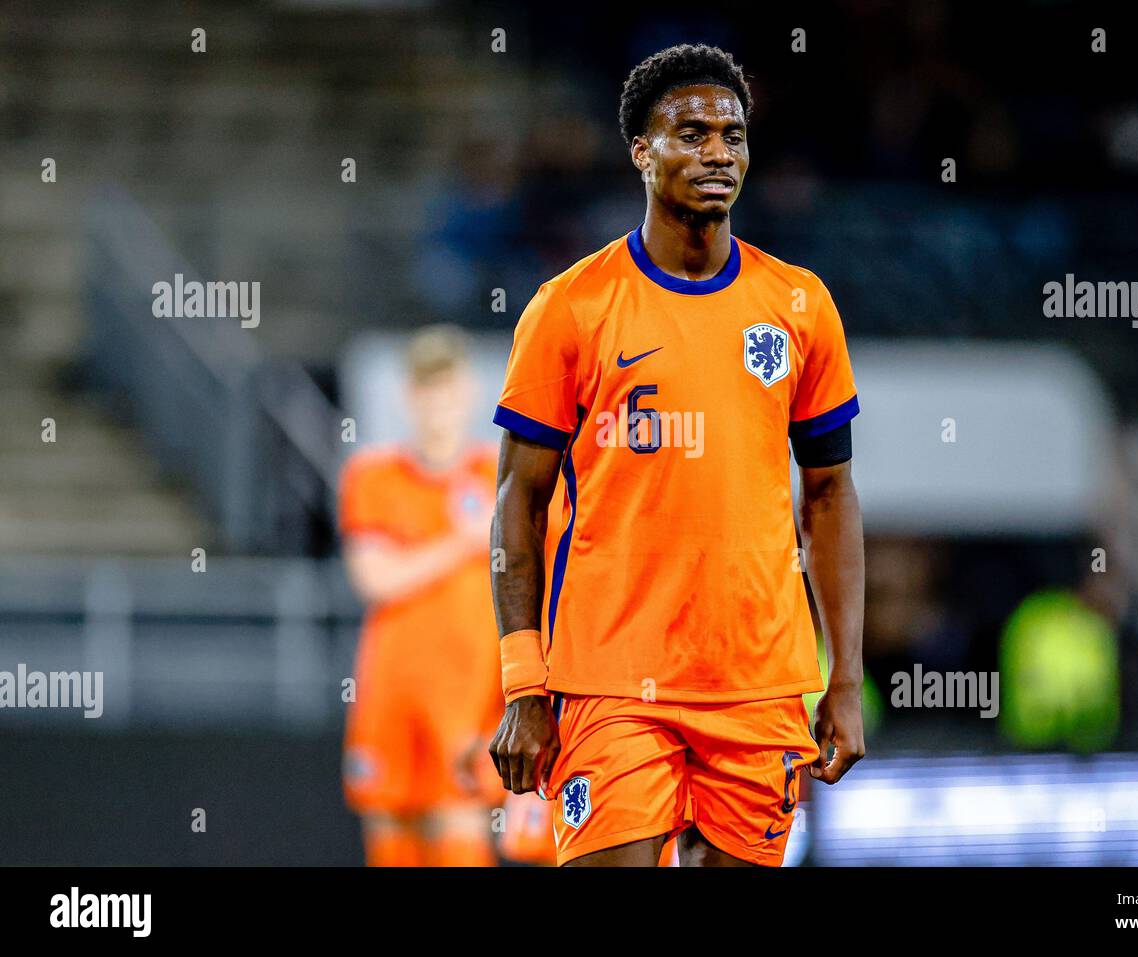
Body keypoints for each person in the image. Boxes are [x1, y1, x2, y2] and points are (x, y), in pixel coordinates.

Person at [488, 44, 866, 867]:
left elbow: (831, 494)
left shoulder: (800, 306)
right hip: (611, 678)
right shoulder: (571, 307)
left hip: (758, 682)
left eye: (732, 134)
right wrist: (523, 683)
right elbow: (519, 498)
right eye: (690, 133)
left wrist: (844, 679)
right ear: (641, 151)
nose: (717, 153)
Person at [339, 325, 503, 866]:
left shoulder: (498, 477)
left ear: (469, 393)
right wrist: (462, 542)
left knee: (461, 814)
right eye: (427, 387)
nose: (439, 402)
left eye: (448, 387)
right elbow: (374, 578)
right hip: (392, 686)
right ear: (409, 395)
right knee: (389, 817)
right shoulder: (374, 477)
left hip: (470, 688)